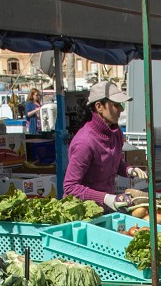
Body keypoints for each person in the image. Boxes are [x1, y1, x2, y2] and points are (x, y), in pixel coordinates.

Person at [62, 80, 144, 208]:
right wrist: (105, 197)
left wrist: (129, 169)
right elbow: (70, 186)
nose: (121, 109)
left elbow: (113, 163)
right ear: (99, 106)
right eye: (116, 105)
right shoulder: (84, 142)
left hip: (105, 209)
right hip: (81, 211)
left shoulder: (115, 133)